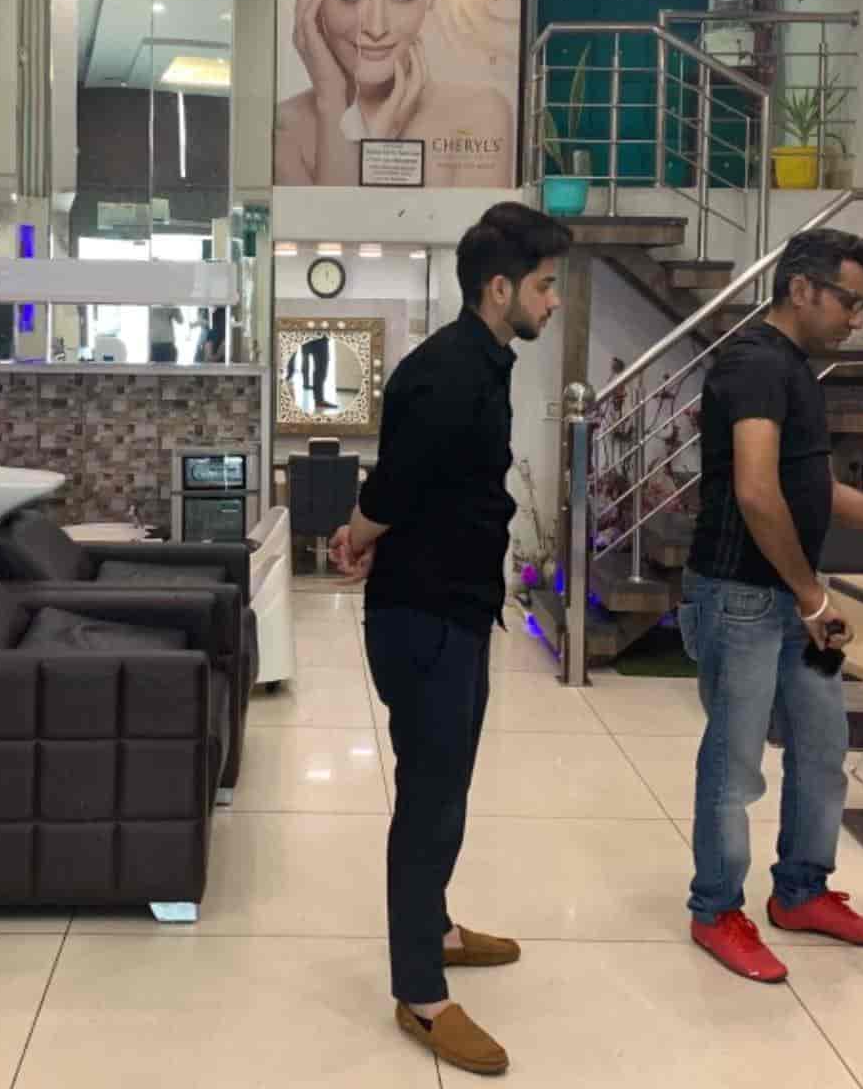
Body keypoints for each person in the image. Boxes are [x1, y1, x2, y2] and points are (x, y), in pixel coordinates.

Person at [681, 228, 863, 984]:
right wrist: (812, 596)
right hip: (741, 597)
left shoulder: (794, 370)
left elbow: (814, 489)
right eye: (849, 301)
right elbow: (756, 491)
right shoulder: (755, 365)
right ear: (801, 289)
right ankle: (716, 909)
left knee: (820, 750)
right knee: (735, 764)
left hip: (788, 597)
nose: (858, 318)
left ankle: (802, 891)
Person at [329, 202, 571, 1078]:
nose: (553, 301)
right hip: (422, 615)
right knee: (429, 799)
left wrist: (367, 533)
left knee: (451, 788)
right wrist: (356, 535)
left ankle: (435, 927)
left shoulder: (485, 362)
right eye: (544, 286)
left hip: (458, 609)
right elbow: (394, 487)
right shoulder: (446, 373)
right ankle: (420, 992)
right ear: (498, 288)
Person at [276, 0, 510, 188]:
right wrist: (332, 100)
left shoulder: (481, 114)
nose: (376, 28)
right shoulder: (284, 129)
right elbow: (335, 221)